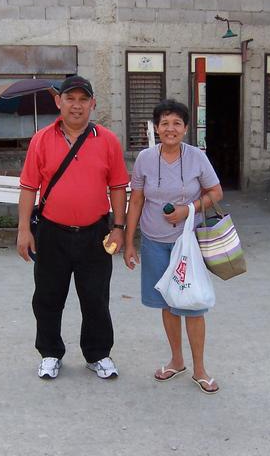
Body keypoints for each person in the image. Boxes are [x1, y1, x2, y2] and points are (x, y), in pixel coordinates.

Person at [17, 75, 129, 380]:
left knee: (95, 298)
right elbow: (28, 188)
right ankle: (50, 353)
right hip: (51, 233)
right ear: (58, 102)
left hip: (95, 234)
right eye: (70, 98)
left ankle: (98, 354)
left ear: (93, 104)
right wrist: (24, 230)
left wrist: (118, 227)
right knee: (48, 297)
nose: (76, 106)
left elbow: (118, 186)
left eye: (83, 99)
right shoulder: (41, 140)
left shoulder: (107, 140)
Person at [123, 99, 224, 394]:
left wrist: (188, 209)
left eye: (176, 123)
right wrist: (129, 243)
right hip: (154, 242)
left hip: (186, 245)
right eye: (165, 123)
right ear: (157, 127)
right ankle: (176, 360)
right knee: (167, 304)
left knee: (192, 305)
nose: (170, 129)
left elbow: (215, 192)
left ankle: (201, 369)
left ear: (186, 128)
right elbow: (137, 200)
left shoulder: (196, 158)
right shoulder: (144, 158)